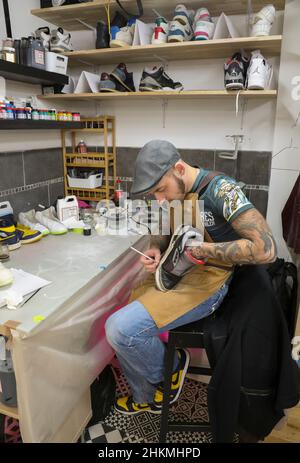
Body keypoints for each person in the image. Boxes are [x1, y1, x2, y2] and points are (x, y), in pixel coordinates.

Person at [105, 140, 277, 415]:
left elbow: (266, 249)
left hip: (211, 282)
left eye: (161, 190)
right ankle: (144, 396)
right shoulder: (172, 194)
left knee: (120, 329)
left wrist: (203, 250)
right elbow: (164, 228)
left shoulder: (222, 190)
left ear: (179, 168)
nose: (159, 199)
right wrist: (155, 247)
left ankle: (170, 368)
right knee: (126, 311)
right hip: (181, 271)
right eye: (154, 194)